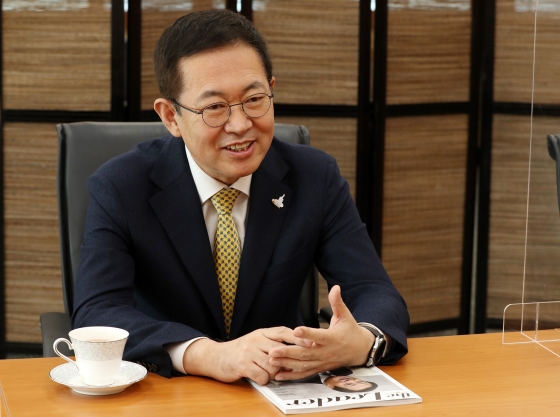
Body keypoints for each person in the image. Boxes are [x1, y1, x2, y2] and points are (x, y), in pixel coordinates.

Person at [72, 9, 409, 386]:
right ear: (171, 117)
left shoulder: (314, 177)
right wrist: (208, 354)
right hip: (168, 391)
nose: (240, 124)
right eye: (215, 107)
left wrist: (362, 341)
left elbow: (374, 290)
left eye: (254, 99)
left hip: (280, 388)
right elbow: (97, 312)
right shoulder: (121, 185)